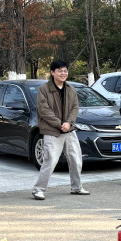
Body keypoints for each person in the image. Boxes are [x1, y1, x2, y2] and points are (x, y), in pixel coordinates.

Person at [33, 59, 90, 200]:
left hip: (69, 130)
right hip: (52, 131)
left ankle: (76, 187)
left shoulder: (70, 89)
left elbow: (74, 108)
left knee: (76, 159)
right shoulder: (44, 89)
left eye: (65, 70)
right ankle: (38, 189)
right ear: (52, 73)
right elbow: (43, 110)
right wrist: (60, 124)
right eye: (60, 71)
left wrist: (69, 123)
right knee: (50, 160)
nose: (63, 73)